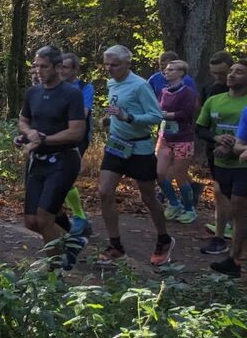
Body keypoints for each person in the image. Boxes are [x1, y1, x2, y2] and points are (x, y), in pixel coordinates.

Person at [95, 45, 174, 266]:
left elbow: (156, 116)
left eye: (115, 64)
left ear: (127, 64)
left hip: (140, 148)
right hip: (116, 146)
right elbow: (118, 110)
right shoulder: (111, 83)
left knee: (148, 197)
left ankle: (164, 239)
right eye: (106, 64)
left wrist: (128, 118)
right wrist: (109, 120)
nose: (109, 68)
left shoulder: (140, 85)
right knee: (104, 192)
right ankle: (115, 245)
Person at [15, 46, 88, 268]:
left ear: (57, 67)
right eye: (36, 66)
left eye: (44, 66)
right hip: (38, 161)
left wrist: (42, 140)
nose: (38, 71)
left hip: (64, 160)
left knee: (45, 217)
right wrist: (28, 134)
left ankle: (54, 272)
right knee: (31, 221)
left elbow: (76, 132)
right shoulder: (33, 92)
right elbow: (23, 121)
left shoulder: (71, 94)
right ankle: (73, 243)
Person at [196, 59, 247, 268]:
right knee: (230, 207)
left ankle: (235, 259)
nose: (231, 75)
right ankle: (228, 249)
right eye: (231, 71)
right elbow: (200, 129)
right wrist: (217, 139)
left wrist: (234, 147)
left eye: (239, 72)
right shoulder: (214, 100)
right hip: (220, 161)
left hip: (243, 166)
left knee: (239, 209)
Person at [156, 59, 199, 224]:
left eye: (171, 69)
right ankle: (174, 203)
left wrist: (168, 115)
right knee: (159, 174)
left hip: (183, 139)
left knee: (180, 175)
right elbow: (157, 108)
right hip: (165, 137)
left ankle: (189, 209)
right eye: (166, 69)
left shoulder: (187, 92)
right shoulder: (164, 91)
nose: (166, 72)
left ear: (181, 73)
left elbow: (187, 113)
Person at [200, 51, 235, 253]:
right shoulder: (211, 90)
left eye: (223, 73)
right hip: (215, 150)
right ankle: (222, 232)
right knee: (220, 190)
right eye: (215, 73)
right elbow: (202, 125)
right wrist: (215, 139)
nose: (220, 77)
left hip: (240, 153)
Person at [57, 53, 94, 237]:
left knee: (65, 178)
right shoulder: (54, 86)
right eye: (59, 67)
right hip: (55, 136)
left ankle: (79, 217)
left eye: (65, 67)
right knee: (56, 178)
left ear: (75, 69)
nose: (61, 71)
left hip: (77, 138)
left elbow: (82, 113)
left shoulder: (85, 88)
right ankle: (72, 221)